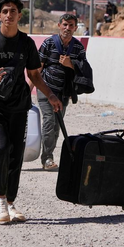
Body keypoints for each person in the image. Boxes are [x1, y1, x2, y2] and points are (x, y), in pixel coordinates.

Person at [0, 0, 62, 224]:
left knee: (16, 153)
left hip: (19, 104)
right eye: (5, 11)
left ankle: (11, 202)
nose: (9, 15)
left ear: (20, 15)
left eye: (13, 11)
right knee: (1, 148)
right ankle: (0, 198)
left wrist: (50, 95)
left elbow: (34, 74)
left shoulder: (27, 43)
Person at [37, 13, 88, 170]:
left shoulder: (78, 47)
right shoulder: (49, 43)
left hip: (63, 92)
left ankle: (48, 154)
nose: (67, 28)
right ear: (59, 25)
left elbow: (83, 69)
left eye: (71, 25)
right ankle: (47, 158)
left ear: (75, 27)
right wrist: (28, 89)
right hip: (46, 89)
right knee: (49, 121)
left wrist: (70, 63)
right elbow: (38, 67)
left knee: (57, 125)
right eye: (65, 24)